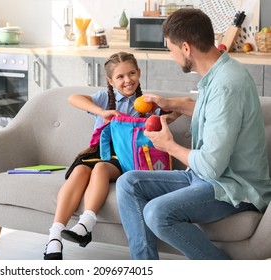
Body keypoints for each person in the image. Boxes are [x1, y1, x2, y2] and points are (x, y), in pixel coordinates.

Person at [116, 9, 271, 260]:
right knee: (128, 183)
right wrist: (172, 103)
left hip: (233, 186)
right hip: (205, 177)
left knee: (158, 213)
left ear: (186, 48)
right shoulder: (219, 72)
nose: (171, 56)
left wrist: (169, 146)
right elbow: (218, 113)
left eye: (171, 49)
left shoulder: (226, 85)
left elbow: (211, 166)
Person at [44, 52, 144, 260]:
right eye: (120, 77)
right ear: (110, 81)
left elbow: (167, 117)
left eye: (131, 73)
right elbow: (73, 98)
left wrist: (167, 111)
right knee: (80, 170)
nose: (127, 80)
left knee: (100, 168)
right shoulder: (104, 99)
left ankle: (86, 223)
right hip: (97, 150)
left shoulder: (145, 104)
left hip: (122, 155)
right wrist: (101, 112)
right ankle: (54, 237)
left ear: (139, 73)